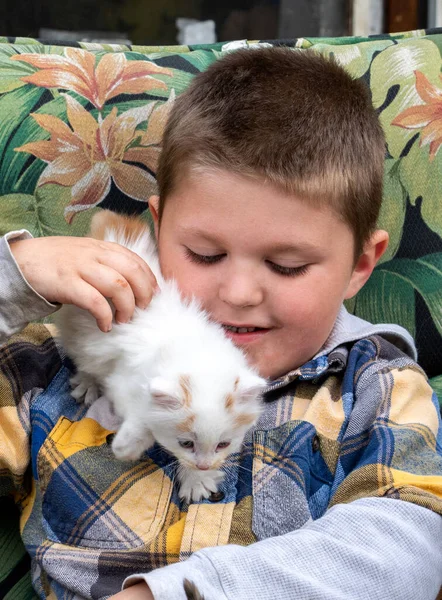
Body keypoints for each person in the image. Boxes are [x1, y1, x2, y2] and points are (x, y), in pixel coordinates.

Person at [1, 47, 442, 600]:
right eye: (206, 255)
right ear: (160, 231)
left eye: (287, 266)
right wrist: (15, 280)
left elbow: (409, 541)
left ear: (359, 266)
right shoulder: (66, 351)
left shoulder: (375, 385)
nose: (237, 295)